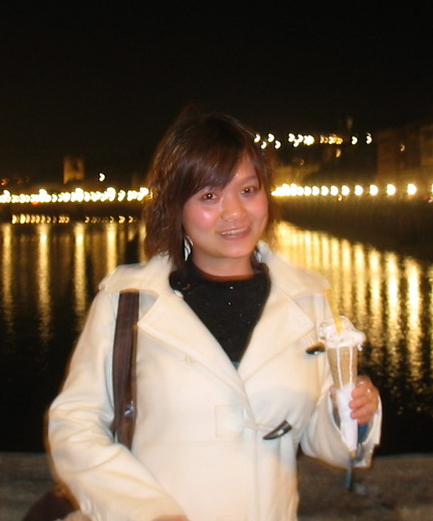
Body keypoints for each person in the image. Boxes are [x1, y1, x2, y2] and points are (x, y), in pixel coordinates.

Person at [47, 112, 381, 521]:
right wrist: (146, 513)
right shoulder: (129, 301)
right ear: (176, 207)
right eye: (209, 196)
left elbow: (322, 439)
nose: (234, 213)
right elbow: (74, 425)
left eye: (248, 189)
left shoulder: (308, 300)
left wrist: (351, 412)